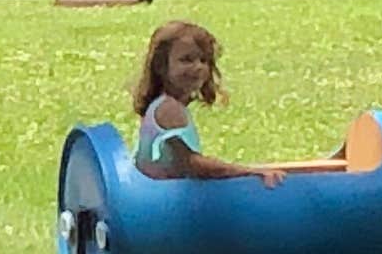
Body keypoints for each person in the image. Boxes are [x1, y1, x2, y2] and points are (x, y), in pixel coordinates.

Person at [129, 18, 319, 184]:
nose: (197, 67)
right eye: (186, 60)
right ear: (161, 66)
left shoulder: (164, 105)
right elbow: (193, 165)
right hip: (159, 207)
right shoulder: (169, 109)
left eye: (204, 60)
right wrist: (247, 172)